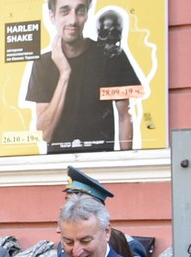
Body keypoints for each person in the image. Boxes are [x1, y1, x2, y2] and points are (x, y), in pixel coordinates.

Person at [25, 0, 140, 153]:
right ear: (52, 17)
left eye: (80, 11)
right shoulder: (43, 64)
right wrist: (64, 74)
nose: (73, 20)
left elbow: (125, 115)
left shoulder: (110, 56)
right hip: (57, 167)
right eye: (65, 11)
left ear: (87, 14)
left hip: (101, 164)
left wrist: (126, 165)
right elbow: (45, 134)